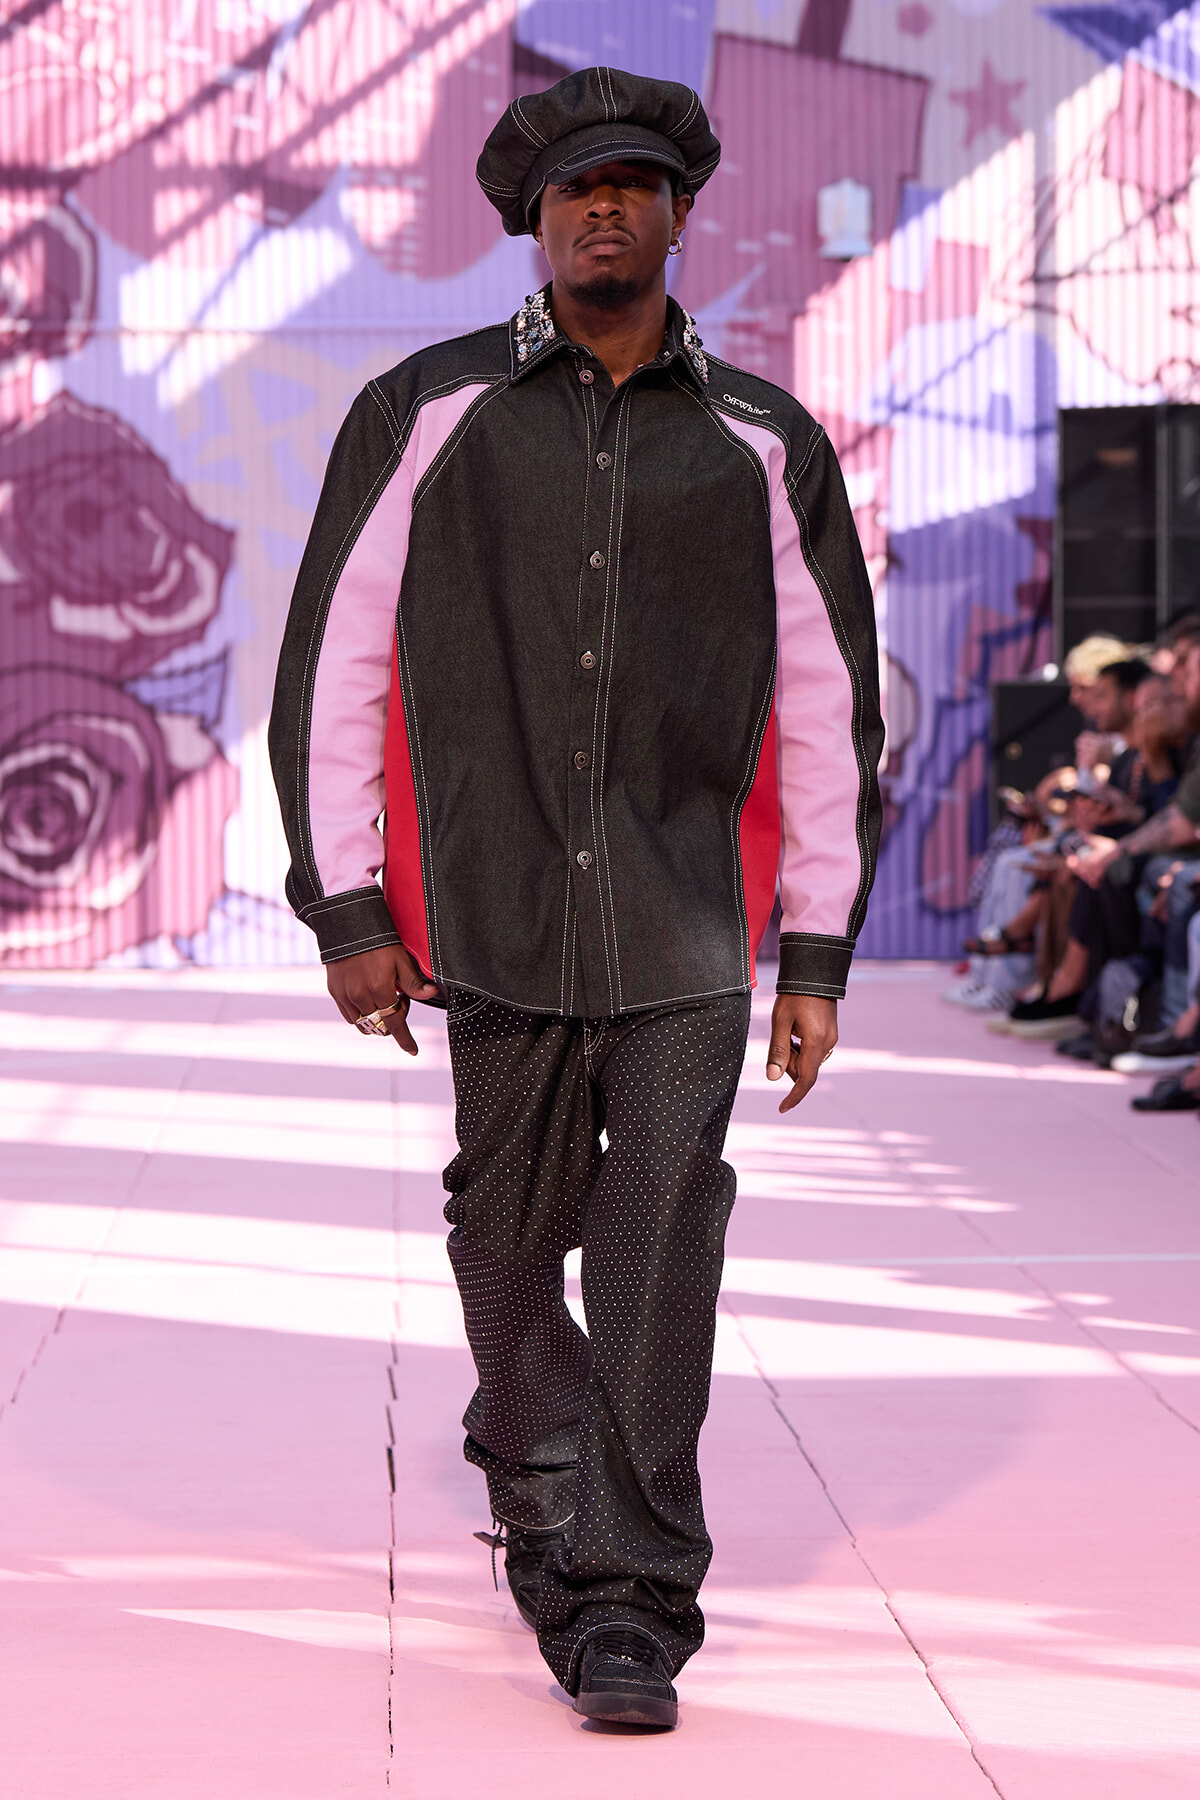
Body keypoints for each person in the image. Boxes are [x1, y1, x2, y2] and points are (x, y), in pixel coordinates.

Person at [269, 68, 882, 1731]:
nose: (602, 207)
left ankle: (626, 1595)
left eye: (632, 183)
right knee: (501, 1237)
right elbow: (333, 662)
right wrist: (348, 906)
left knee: (663, 1232)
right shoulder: (427, 408)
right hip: (492, 903)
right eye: (570, 189)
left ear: (682, 211)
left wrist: (816, 946)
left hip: (686, 915)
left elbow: (831, 704)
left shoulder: (762, 440)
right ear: (531, 224)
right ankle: (536, 1458)